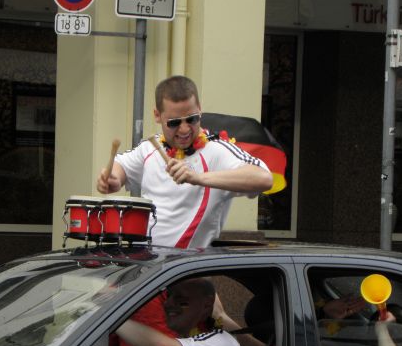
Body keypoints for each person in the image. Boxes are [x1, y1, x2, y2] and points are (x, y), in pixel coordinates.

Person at [96, 75, 273, 249]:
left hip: (187, 264)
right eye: (174, 123)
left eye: (191, 119)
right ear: (157, 115)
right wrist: (113, 178)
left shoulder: (217, 150)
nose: (184, 129)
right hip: (146, 261)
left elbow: (264, 178)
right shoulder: (149, 148)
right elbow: (120, 167)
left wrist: (198, 178)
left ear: (200, 109)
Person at [115, 278, 250, 346]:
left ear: (206, 306)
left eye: (181, 300)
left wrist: (113, 317)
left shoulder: (222, 343)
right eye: (168, 296)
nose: (168, 303)